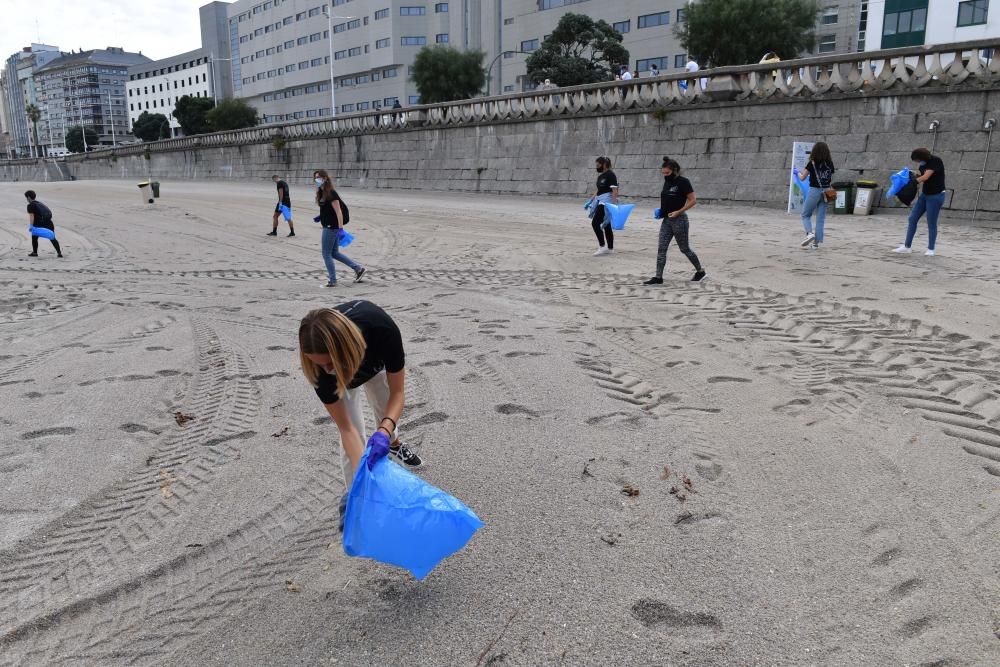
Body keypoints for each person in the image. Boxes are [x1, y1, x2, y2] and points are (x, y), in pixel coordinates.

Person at [299, 303, 422, 528]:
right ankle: (360, 501)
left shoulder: (382, 329)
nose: (326, 370)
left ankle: (393, 443)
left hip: (373, 363)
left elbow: (398, 393)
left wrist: (385, 431)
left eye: (328, 363)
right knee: (354, 439)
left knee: (385, 410)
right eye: (319, 364)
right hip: (343, 381)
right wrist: (364, 480)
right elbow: (347, 429)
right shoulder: (319, 369)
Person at [643, 157, 706, 284]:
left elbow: (693, 200)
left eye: (667, 173)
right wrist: (661, 211)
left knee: (684, 249)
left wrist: (678, 212)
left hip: (680, 220)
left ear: (675, 170)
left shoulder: (683, 182)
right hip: (666, 220)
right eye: (663, 173)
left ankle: (700, 271)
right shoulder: (667, 182)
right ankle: (658, 277)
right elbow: (668, 200)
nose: (665, 175)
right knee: (661, 248)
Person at [314, 169, 365, 286]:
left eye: (319, 177)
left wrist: (341, 229)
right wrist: (320, 216)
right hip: (328, 224)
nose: (317, 180)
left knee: (326, 254)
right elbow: (328, 210)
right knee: (334, 253)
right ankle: (358, 269)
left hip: (331, 227)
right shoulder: (321, 193)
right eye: (315, 177)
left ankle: (333, 280)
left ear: (325, 178)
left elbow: (338, 212)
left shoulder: (331, 193)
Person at [893, 148, 945, 256]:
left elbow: (926, 177)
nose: (917, 163)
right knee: (912, 218)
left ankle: (931, 249)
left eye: (917, 160)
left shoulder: (935, 161)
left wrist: (912, 182)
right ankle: (907, 247)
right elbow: (921, 175)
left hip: (936, 196)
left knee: (931, 222)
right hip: (925, 195)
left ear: (922, 158)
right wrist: (908, 177)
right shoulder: (923, 165)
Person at [798, 142, 835, 249]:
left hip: (814, 190)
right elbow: (829, 177)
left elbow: (802, 178)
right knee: (820, 218)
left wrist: (797, 173)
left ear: (815, 151)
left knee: (805, 214)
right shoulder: (830, 163)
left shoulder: (812, 163)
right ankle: (816, 244)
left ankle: (809, 234)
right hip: (827, 191)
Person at [588, 156, 619, 256]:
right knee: (607, 224)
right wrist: (591, 199)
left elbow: (614, 190)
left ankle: (602, 246)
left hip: (607, 202)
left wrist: (613, 206)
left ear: (604, 164)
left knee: (595, 223)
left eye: (598, 165)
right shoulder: (601, 176)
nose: (597, 167)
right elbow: (599, 189)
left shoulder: (611, 175)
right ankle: (610, 248)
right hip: (600, 200)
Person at [24, 190, 62, 258]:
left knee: (34, 237)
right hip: (49, 223)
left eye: (26, 197)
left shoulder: (30, 205)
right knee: (52, 237)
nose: (26, 199)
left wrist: (31, 226)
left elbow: (31, 216)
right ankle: (59, 253)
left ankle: (35, 252)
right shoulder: (39, 203)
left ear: (29, 197)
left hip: (38, 224)